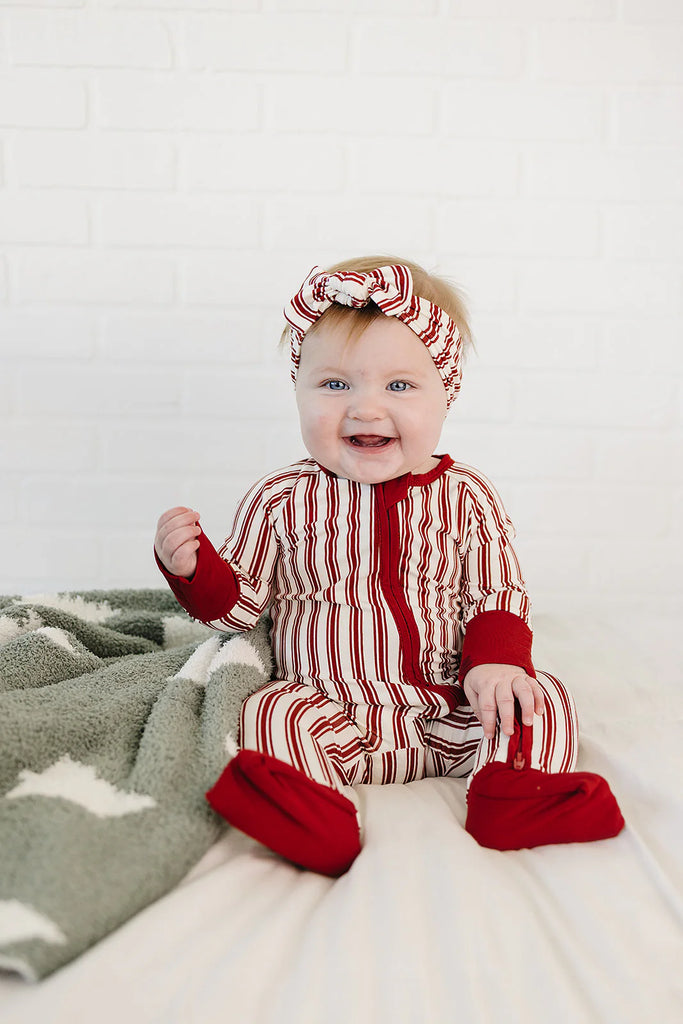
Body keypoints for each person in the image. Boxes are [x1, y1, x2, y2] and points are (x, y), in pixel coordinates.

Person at [154, 256, 624, 877]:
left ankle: (512, 796)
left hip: (453, 710)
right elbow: (241, 607)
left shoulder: (467, 497)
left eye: (399, 386)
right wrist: (194, 570)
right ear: (298, 392)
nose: (366, 409)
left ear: (445, 395)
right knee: (269, 710)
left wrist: (497, 663)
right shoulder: (280, 499)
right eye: (335, 385)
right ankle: (313, 815)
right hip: (333, 712)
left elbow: (498, 593)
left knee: (541, 696)